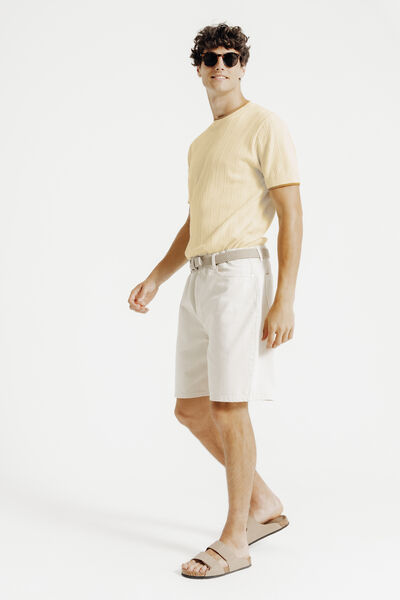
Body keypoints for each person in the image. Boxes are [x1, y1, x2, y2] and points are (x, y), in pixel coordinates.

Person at [127, 22, 303, 579]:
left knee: (229, 406)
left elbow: (292, 214)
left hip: (240, 276)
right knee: (190, 408)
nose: (219, 66)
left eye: (229, 57)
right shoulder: (200, 144)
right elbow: (195, 221)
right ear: (198, 68)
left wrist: (285, 298)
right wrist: (157, 277)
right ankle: (263, 502)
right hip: (199, 280)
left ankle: (236, 540)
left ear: (242, 66)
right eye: (209, 58)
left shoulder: (265, 124)